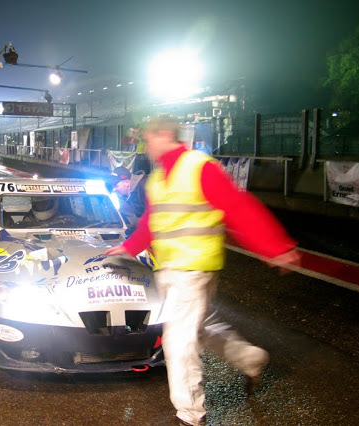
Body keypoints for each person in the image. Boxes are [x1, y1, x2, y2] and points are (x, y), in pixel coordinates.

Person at [103, 115, 301, 426]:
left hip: (193, 269)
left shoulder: (199, 166)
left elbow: (237, 207)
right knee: (201, 328)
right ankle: (251, 359)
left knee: (178, 339)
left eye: (148, 138)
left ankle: (191, 414)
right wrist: (129, 247)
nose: (145, 145)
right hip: (170, 270)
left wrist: (274, 247)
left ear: (165, 134)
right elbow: (153, 222)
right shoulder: (157, 179)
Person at [107, 166, 147, 232]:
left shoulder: (144, 188)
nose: (114, 189)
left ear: (127, 182)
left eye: (116, 185)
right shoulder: (125, 195)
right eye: (112, 186)